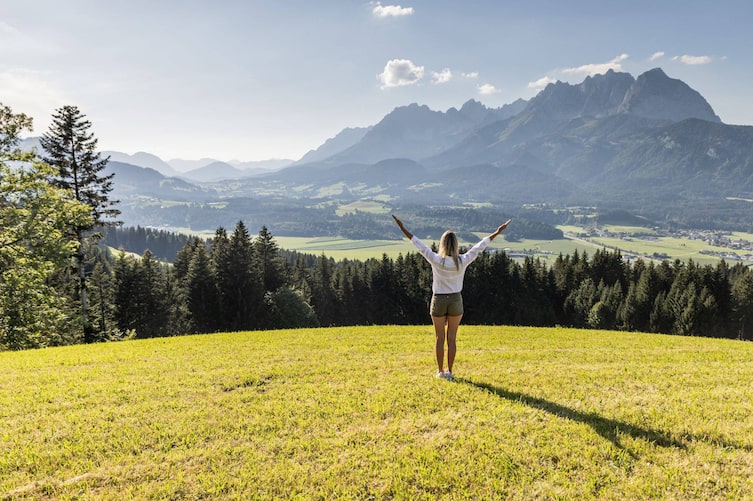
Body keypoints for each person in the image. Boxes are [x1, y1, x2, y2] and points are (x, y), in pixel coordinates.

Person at [392, 214, 511, 380]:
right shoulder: (462, 261)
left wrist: (402, 227)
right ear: (456, 245)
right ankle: (450, 372)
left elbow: (418, 244)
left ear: (442, 244)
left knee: (439, 338)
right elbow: (479, 247)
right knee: (452, 339)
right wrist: (497, 232)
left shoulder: (435, 260)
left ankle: (440, 372)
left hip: (438, 300)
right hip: (456, 300)